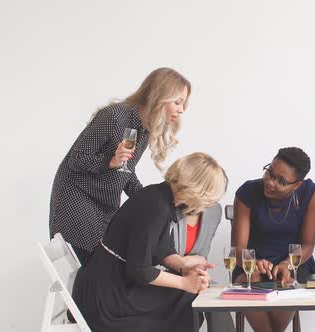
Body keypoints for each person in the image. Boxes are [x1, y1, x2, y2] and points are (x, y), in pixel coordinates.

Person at [71, 152, 228, 332]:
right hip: (106, 298)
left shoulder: (159, 196)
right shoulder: (158, 208)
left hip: (107, 284)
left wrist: (185, 269)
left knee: (190, 295)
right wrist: (186, 283)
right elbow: (140, 270)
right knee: (187, 296)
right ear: (198, 191)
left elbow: (161, 249)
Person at [49, 67, 191, 265]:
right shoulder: (114, 116)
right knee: (95, 269)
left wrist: (151, 201)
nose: (182, 109)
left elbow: (125, 171)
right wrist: (110, 161)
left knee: (106, 265)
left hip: (105, 206)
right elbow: (77, 159)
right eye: (177, 102)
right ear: (160, 96)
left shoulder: (144, 128)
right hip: (77, 202)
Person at [232, 147, 315, 332]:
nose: (270, 182)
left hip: (295, 262)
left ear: (297, 185)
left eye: (280, 180)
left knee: (286, 281)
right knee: (253, 279)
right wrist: (254, 262)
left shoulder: (310, 193)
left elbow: (307, 244)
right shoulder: (247, 192)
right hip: (253, 263)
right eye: (269, 172)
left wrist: (287, 264)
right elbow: (238, 248)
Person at [170, 204, 236, 332]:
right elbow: (157, 256)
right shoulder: (166, 208)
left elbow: (202, 257)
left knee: (215, 295)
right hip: (162, 275)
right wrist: (185, 263)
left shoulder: (213, 210)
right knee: (188, 296)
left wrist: (195, 268)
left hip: (195, 273)